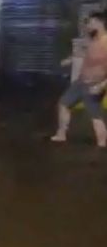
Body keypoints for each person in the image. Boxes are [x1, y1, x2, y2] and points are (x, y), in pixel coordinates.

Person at [51, 11, 107, 148]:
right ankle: (61, 133)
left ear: (100, 24)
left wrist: (101, 85)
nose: (89, 25)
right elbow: (84, 54)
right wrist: (69, 60)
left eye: (92, 22)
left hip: (94, 84)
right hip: (81, 81)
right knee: (63, 103)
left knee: (95, 114)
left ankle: (102, 143)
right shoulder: (93, 39)